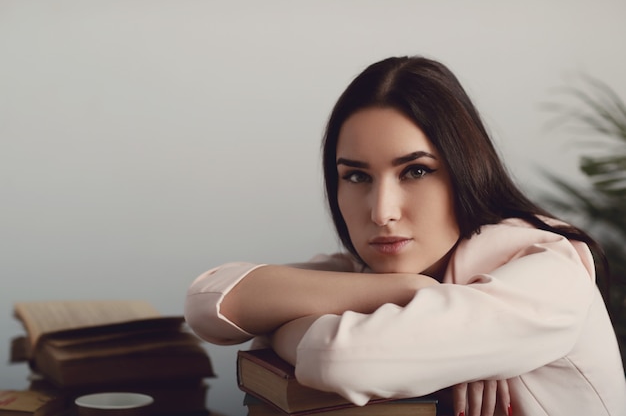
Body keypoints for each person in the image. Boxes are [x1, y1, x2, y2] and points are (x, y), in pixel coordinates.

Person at [184, 56, 626, 416]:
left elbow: (339, 358)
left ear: (465, 172)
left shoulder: (551, 273)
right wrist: (409, 289)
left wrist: (280, 326)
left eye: (415, 171)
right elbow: (209, 302)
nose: (381, 212)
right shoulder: (375, 275)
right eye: (356, 176)